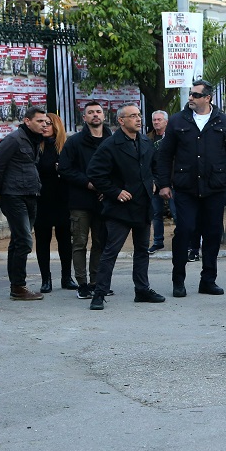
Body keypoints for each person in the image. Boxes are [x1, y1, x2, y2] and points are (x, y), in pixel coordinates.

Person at [157, 79, 226, 298]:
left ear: (207, 98)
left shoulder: (224, 122)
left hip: (214, 188)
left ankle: (208, 280)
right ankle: (178, 280)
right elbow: (165, 154)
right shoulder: (178, 120)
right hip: (186, 188)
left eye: (196, 95)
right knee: (184, 231)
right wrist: (163, 184)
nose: (191, 98)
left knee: (212, 233)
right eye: (190, 94)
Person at [85, 104, 165, 310]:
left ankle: (142, 290)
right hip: (120, 208)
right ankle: (99, 293)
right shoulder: (110, 145)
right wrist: (115, 191)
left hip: (143, 205)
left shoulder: (146, 142)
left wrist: (154, 181)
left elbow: (155, 166)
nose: (138, 119)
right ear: (121, 121)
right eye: (133, 116)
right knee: (110, 251)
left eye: (139, 115)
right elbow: (95, 173)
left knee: (142, 251)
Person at [0, 106, 48, 300]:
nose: (44, 125)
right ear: (27, 121)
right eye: (39, 121)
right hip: (13, 195)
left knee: (18, 241)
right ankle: (19, 286)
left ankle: (16, 286)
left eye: (45, 121)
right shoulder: (14, 140)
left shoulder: (36, 140)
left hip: (30, 193)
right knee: (24, 241)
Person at [59, 101, 108, 300]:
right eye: (91, 112)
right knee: (79, 243)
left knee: (100, 243)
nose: (95, 115)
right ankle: (82, 284)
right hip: (80, 201)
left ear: (104, 116)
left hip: (104, 200)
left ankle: (96, 282)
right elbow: (64, 169)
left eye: (98, 112)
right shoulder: (74, 142)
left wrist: (109, 189)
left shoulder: (112, 140)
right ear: (84, 117)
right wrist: (88, 183)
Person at [34, 113, 76, 293]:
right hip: (41, 199)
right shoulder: (35, 146)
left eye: (48, 124)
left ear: (56, 126)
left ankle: (67, 277)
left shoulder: (65, 147)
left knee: (65, 240)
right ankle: (46, 279)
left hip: (63, 199)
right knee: (43, 240)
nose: (44, 126)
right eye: (42, 123)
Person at [147, 110, 171, 254]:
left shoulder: (172, 137)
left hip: (171, 180)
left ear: (166, 122)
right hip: (155, 180)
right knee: (156, 213)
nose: (156, 122)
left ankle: (183, 241)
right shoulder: (148, 139)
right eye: (154, 120)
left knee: (177, 212)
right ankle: (158, 242)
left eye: (159, 120)